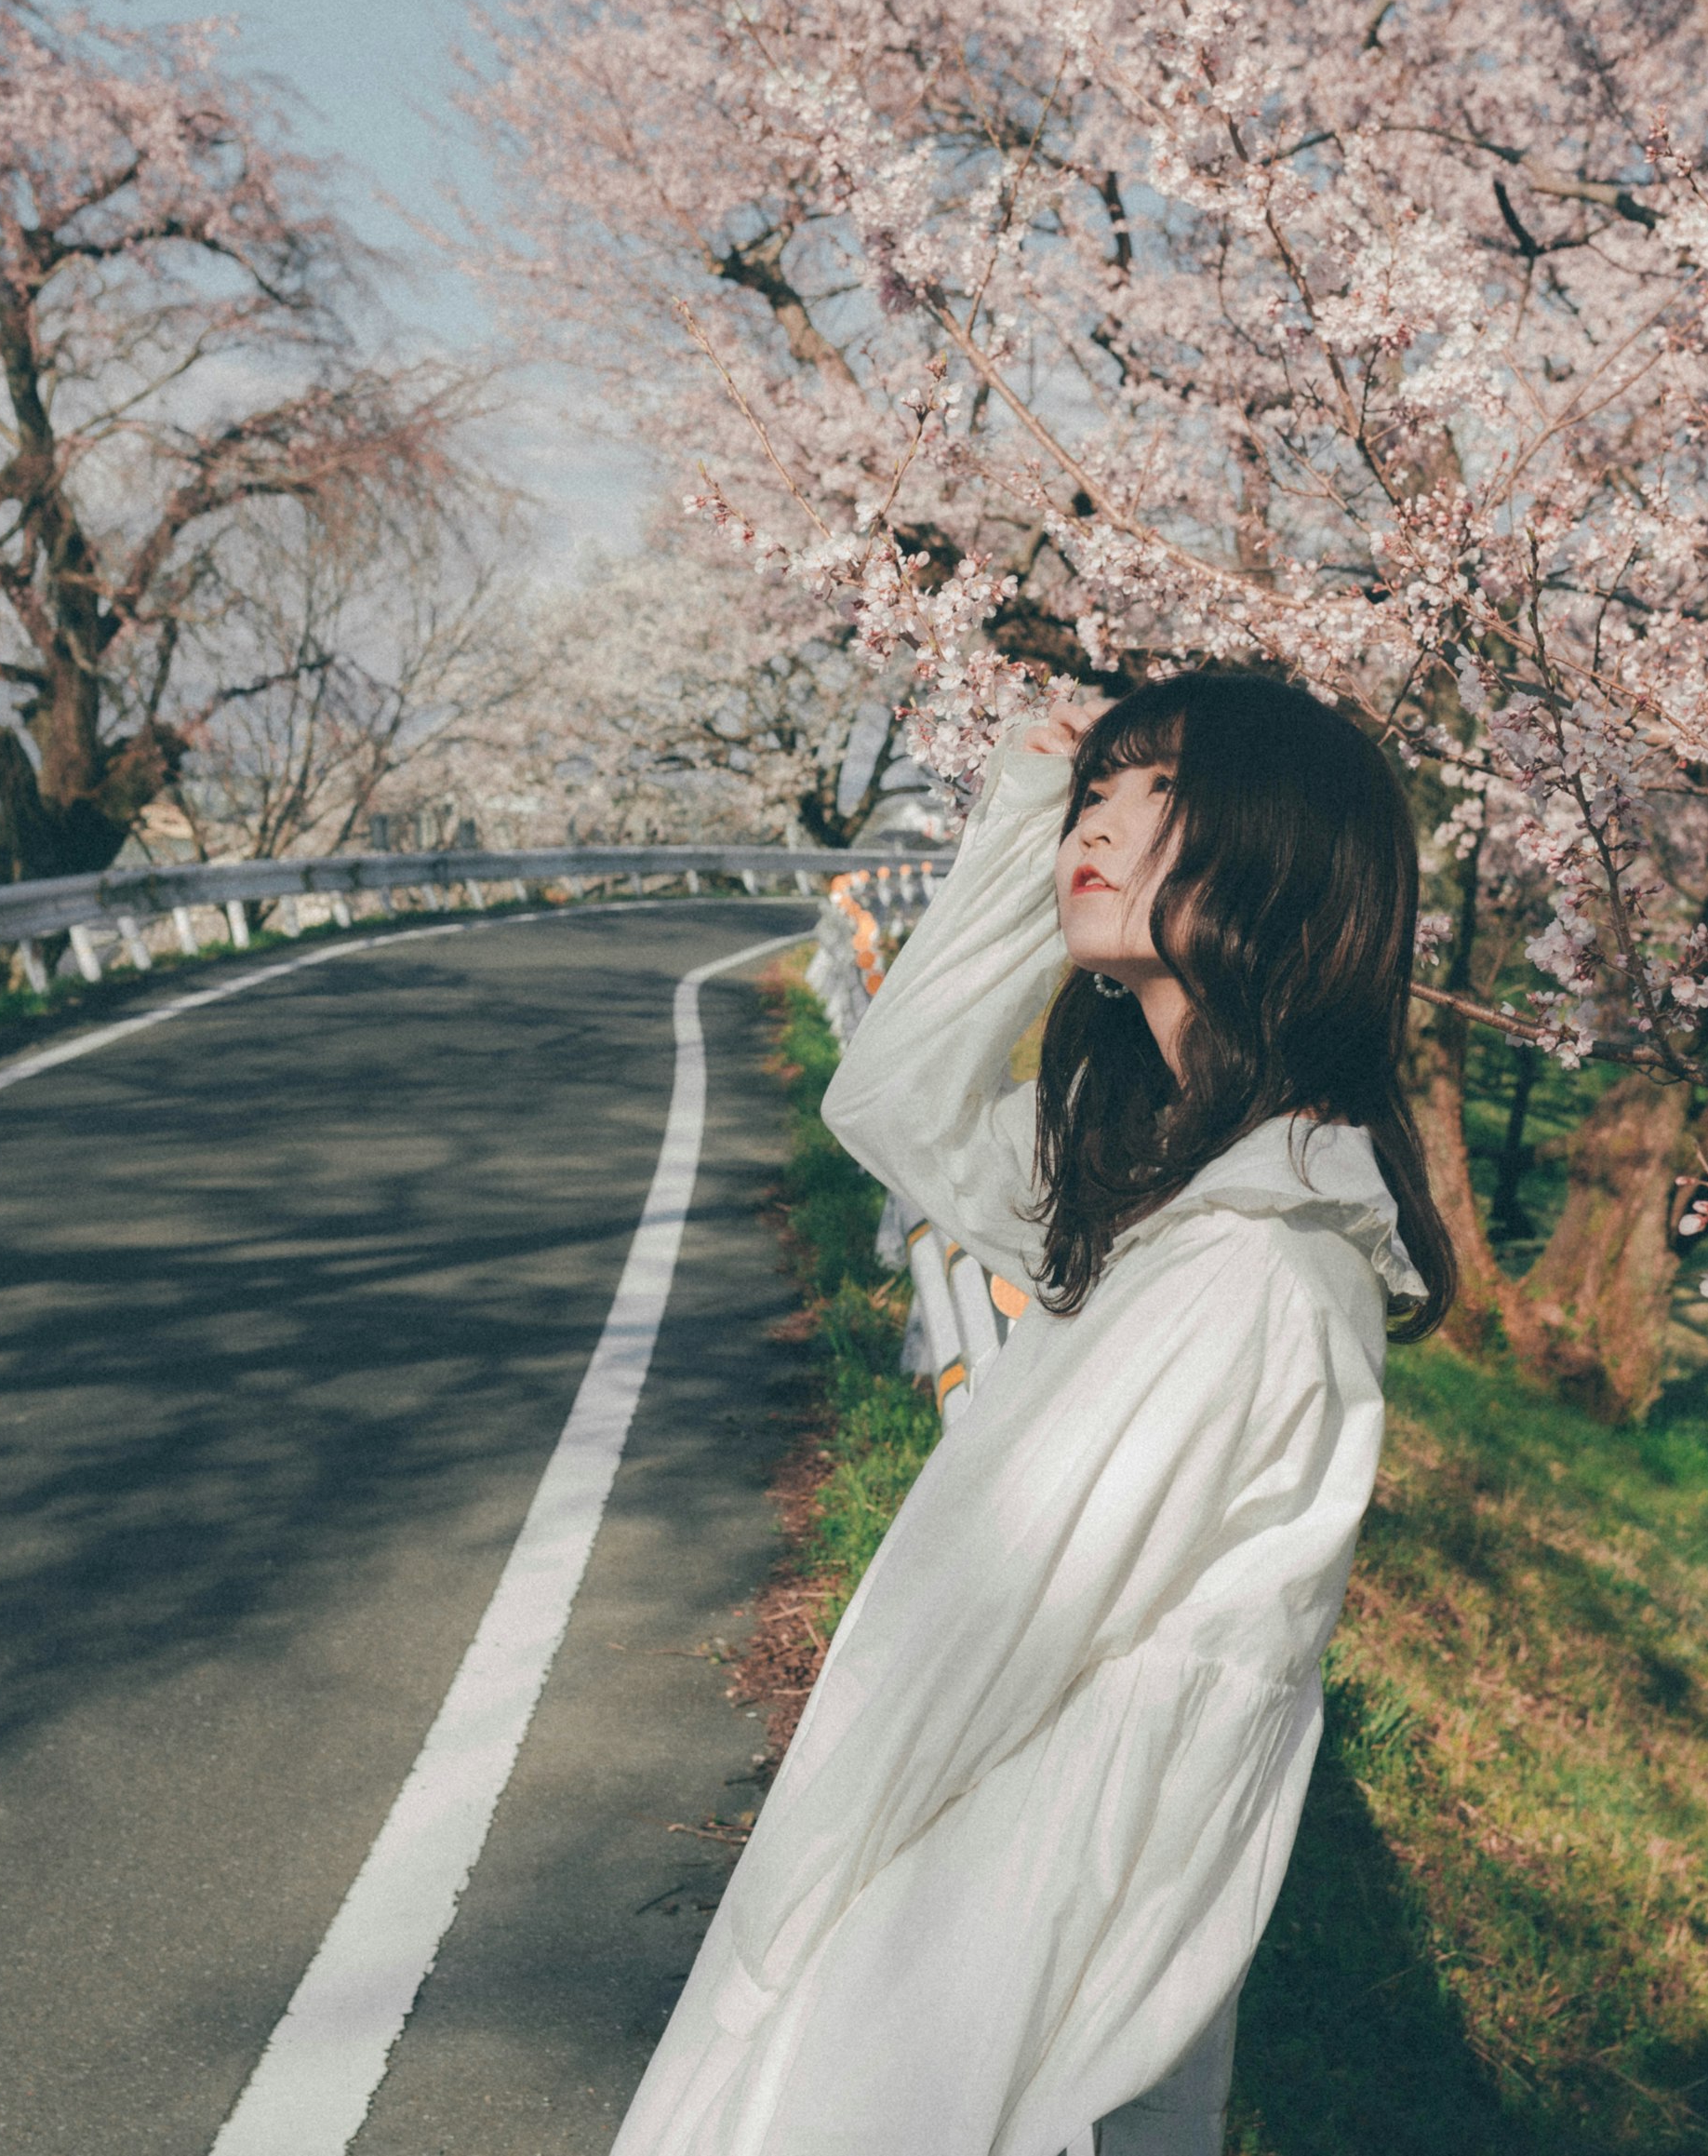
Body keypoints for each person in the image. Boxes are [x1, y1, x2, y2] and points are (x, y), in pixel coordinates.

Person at [612, 670, 1455, 2156]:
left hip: (985, 1936)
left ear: (1286, 860)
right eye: (1100, 789)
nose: (1104, 822)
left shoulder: (1246, 1266)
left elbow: (971, 1635)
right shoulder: (1174, 1182)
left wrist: (775, 1919)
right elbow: (896, 1105)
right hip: (1004, 1899)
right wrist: (1017, 822)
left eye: (1165, 794)